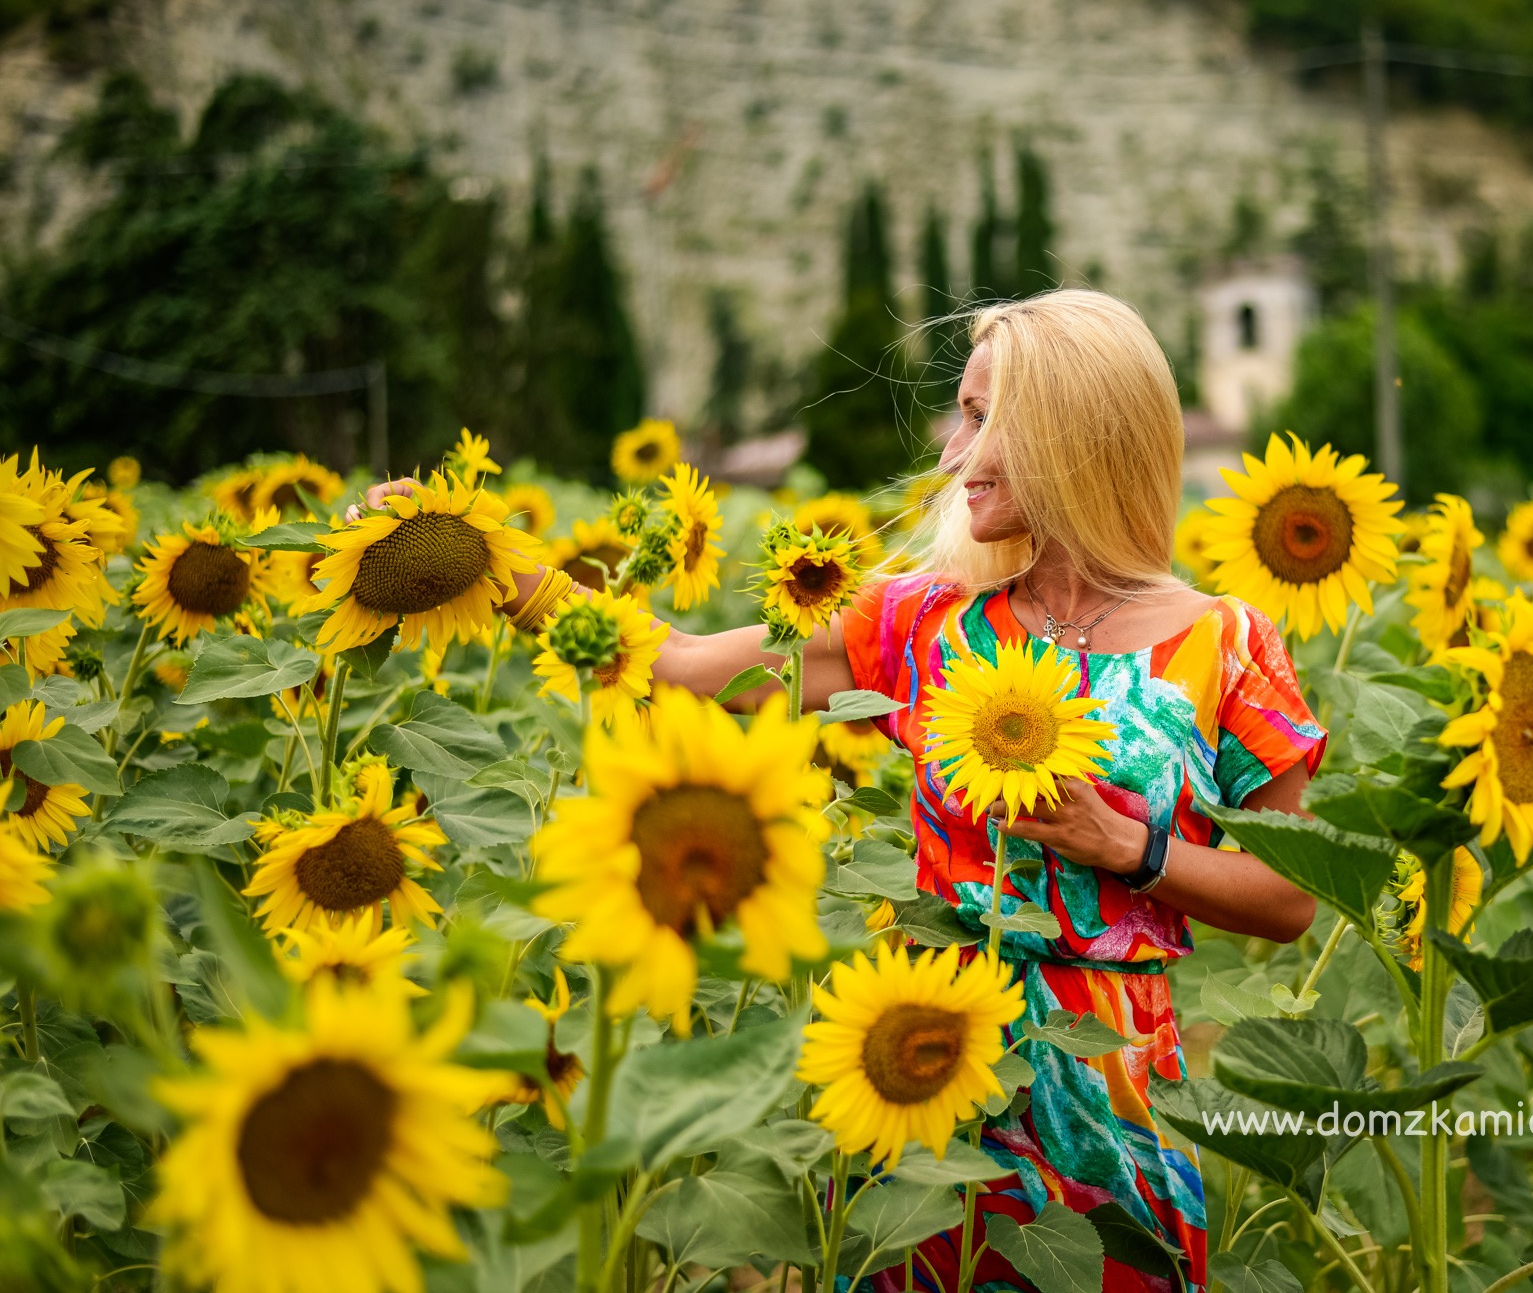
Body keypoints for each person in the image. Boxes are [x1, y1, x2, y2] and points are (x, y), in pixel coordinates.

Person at [369, 289, 1324, 1293]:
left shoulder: (1226, 642)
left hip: (1114, 1100)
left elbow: (1288, 895)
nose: (951, 450)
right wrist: (480, 554)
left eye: (976, 415)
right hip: (921, 1078)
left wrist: (1130, 848)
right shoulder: (921, 622)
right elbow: (685, 667)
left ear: (1069, 429)